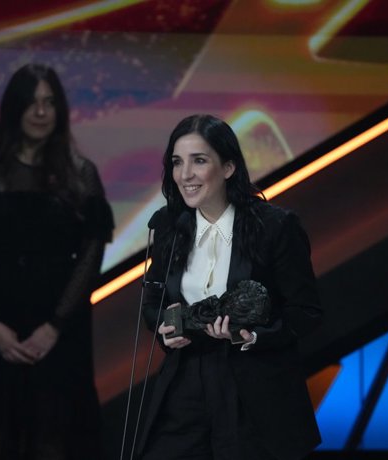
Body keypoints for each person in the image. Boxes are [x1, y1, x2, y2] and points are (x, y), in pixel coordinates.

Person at [136, 114, 322, 460]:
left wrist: (252, 336)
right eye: (177, 162)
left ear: (228, 167)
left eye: (199, 161)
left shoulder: (275, 227)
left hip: (253, 385)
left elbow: (306, 312)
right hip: (186, 380)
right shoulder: (169, 227)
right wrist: (166, 329)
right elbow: (153, 304)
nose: (185, 174)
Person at [0, 63, 114, 459]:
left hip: (61, 328)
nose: (41, 112)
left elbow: (91, 254)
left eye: (49, 102)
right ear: (14, 109)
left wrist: (55, 326)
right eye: (31, 103)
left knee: (56, 437)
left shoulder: (81, 175)